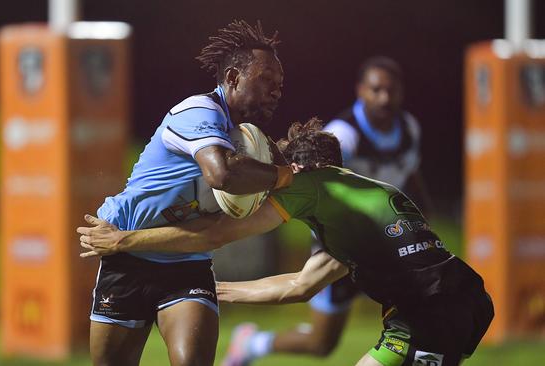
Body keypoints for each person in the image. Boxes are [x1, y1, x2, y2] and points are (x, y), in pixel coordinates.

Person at [78, 119, 494, 366]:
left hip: (426, 313)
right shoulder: (365, 199)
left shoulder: (307, 184)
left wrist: (124, 240)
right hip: (467, 299)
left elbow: (216, 233)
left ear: (296, 166)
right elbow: (300, 286)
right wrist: (212, 290)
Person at [86, 20, 290, 366]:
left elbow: (212, 232)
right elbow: (222, 174)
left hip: (185, 262)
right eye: (266, 80)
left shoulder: (249, 142)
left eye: (280, 85)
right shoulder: (198, 111)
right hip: (126, 256)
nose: (276, 91)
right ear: (233, 79)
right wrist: (285, 176)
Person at [221, 56, 433, 366]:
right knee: (322, 342)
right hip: (342, 239)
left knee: (421, 314)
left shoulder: (410, 129)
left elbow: (413, 178)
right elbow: (312, 187)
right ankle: (252, 343)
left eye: (392, 90)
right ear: (361, 91)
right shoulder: (342, 136)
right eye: (377, 90)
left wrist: (423, 221)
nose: (385, 98)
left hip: (388, 236)